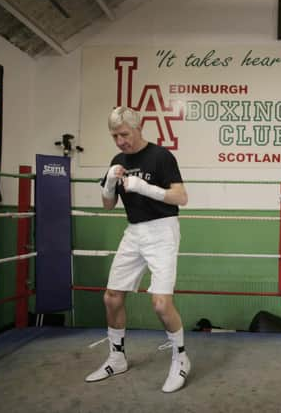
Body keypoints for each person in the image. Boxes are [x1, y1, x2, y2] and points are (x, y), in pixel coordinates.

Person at [86, 106, 190, 393]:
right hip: (133, 232)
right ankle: (117, 357)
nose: (120, 141)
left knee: (160, 303)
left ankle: (181, 359)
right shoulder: (117, 160)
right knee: (112, 297)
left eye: (124, 134)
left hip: (163, 230)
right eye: (114, 136)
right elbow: (108, 205)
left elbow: (182, 197)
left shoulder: (161, 156)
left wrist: (146, 188)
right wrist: (108, 184)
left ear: (138, 127)